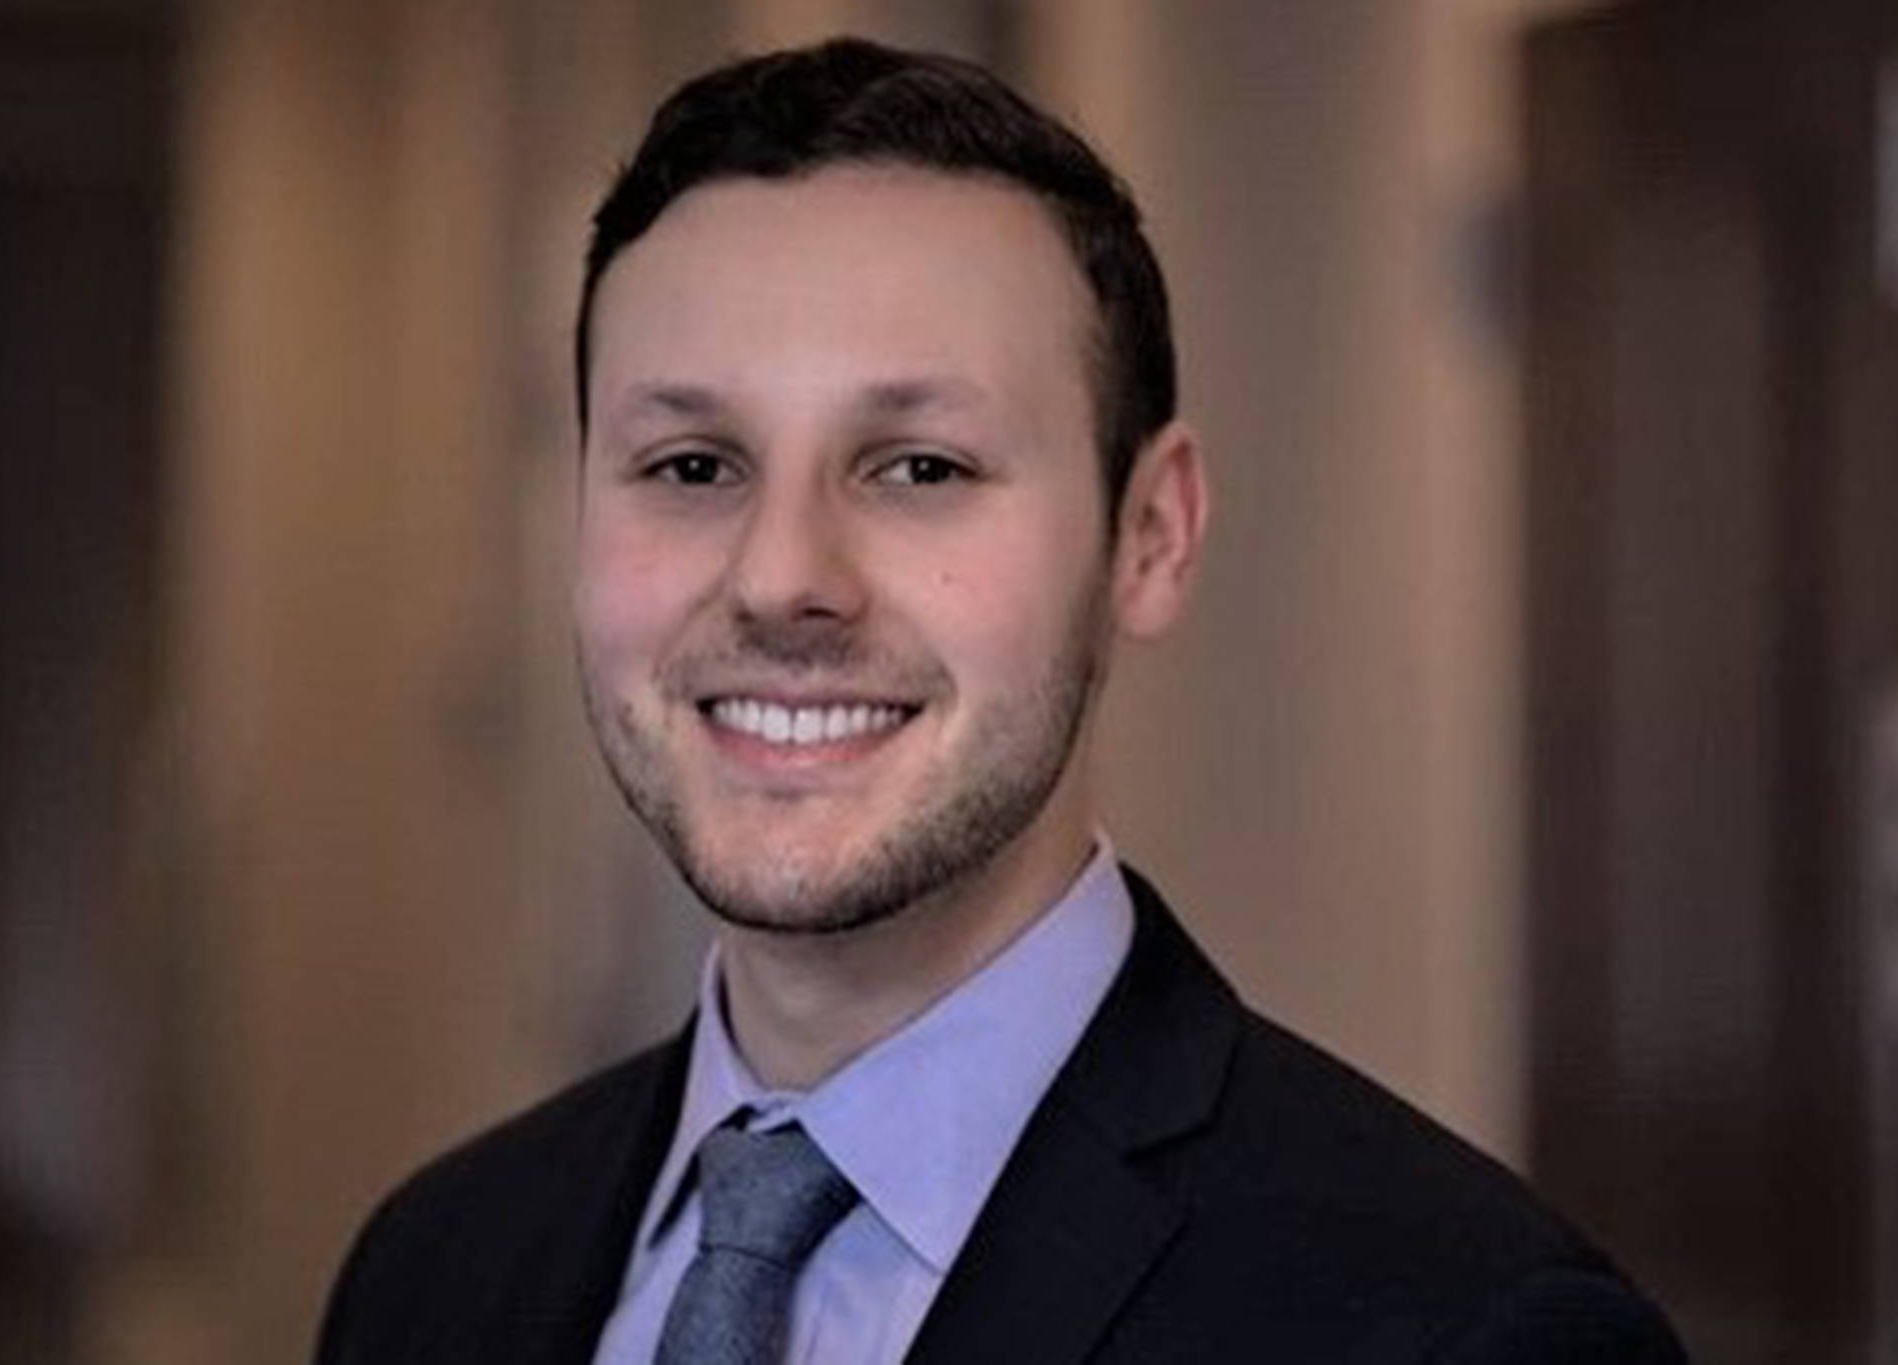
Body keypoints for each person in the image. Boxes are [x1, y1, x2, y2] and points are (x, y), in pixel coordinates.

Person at [314, 37, 1686, 1365]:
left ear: (1150, 535)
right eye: (691, 466)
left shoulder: (1468, 1327)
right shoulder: (431, 1270)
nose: (781, 578)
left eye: (920, 467)